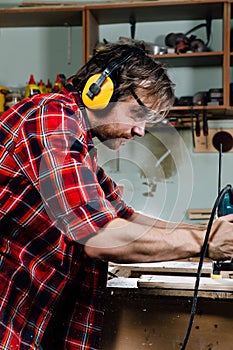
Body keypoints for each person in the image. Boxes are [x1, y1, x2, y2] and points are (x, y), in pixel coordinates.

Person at [0, 43, 233, 350]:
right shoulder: (52, 120)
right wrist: (204, 244)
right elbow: (98, 237)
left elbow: (125, 216)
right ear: (99, 90)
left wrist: (209, 233)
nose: (140, 131)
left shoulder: (80, 144)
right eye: (137, 113)